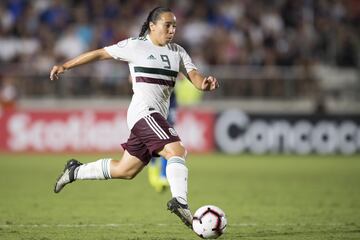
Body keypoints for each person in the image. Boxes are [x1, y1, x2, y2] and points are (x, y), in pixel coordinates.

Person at [50, 6, 219, 229]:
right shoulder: (135, 46)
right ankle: (181, 202)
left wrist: (205, 84)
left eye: (174, 26)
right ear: (152, 25)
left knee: (125, 170)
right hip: (143, 112)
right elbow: (100, 53)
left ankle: (74, 171)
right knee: (177, 151)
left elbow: (195, 78)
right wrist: (65, 65)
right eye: (167, 25)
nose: (172, 30)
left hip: (156, 115)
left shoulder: (177, 51)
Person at [148, 91, 177, 193]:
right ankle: (152, 168)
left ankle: (163, 175)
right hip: (153, 98)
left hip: (170, 98)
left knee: (168, 136)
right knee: (153, 137)